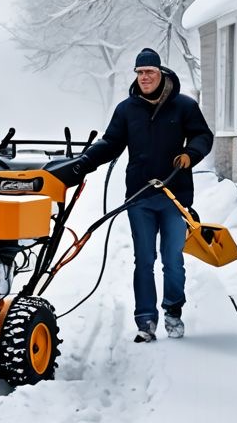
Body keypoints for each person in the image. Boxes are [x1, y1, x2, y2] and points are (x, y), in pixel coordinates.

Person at [74, 48, 213, 343]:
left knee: (173, 258)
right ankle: (146, 320)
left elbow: (203, 135)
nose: (144, 77)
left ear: (160, 73)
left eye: (149, 71)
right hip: (140, 196)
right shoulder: (127, 110)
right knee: (144, 259)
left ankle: (173, 311)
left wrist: (191, 153)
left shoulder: (183, 106)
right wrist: (84, 162)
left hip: (175, 195)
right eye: (139, 72)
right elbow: (111, 143)